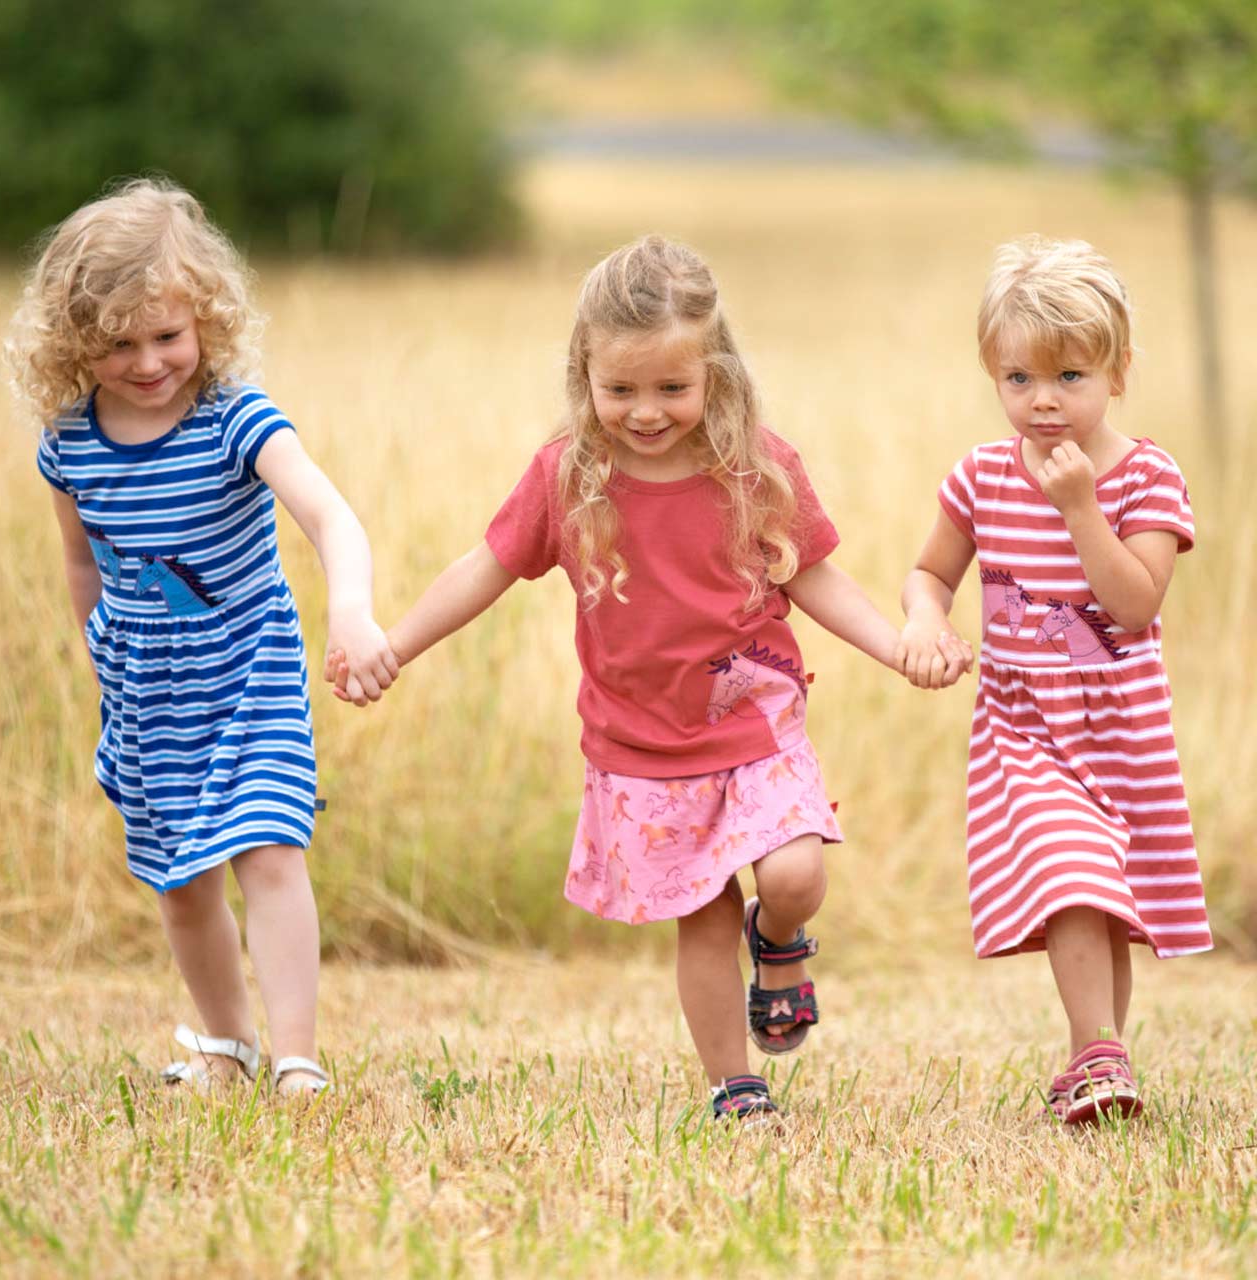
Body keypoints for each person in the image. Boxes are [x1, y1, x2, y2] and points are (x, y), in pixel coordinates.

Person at [331, 234, 970, 1121]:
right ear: (583, 374)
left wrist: (899, 642)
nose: (645, 411)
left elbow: (811, 575)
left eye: (672, 388)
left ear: (717, 373)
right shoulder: (567, 477)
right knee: (701, 913)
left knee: (789, 876)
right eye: (620, 389)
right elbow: (485, 567)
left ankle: (779, 942)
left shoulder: (758, 468)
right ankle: (734, 1083)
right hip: (643, 745)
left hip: (753, 722)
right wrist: (392, 644)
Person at [7, 177, 399, 1096]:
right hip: (147, 693)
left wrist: (350, 610)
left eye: (167, 336)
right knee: (182, 883)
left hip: (249, 669)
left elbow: (331, 517)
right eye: (117, 344)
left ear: (206, 323)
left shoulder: (236, 420)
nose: (148, 362)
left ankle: (297, 1057)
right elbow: (81, 562)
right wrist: (99, 657)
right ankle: (228, 1045)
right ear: (74, 345)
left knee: (268, 847)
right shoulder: (69, 447)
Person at [897, 235, 1212, 1125]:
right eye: (1019, 378)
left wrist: (1079, 510)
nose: (1043, 402)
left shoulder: (1147, 477)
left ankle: (1092, 1055)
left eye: (1070, 377)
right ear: (993, 375)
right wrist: (926, 621)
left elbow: (1136, 604)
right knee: (1072, 872)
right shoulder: (983, 478)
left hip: (1122, 730)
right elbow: (930, 573)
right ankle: (1102, 1056)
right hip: (1025, 727)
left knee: (1108, 900)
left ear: (1118, 373)